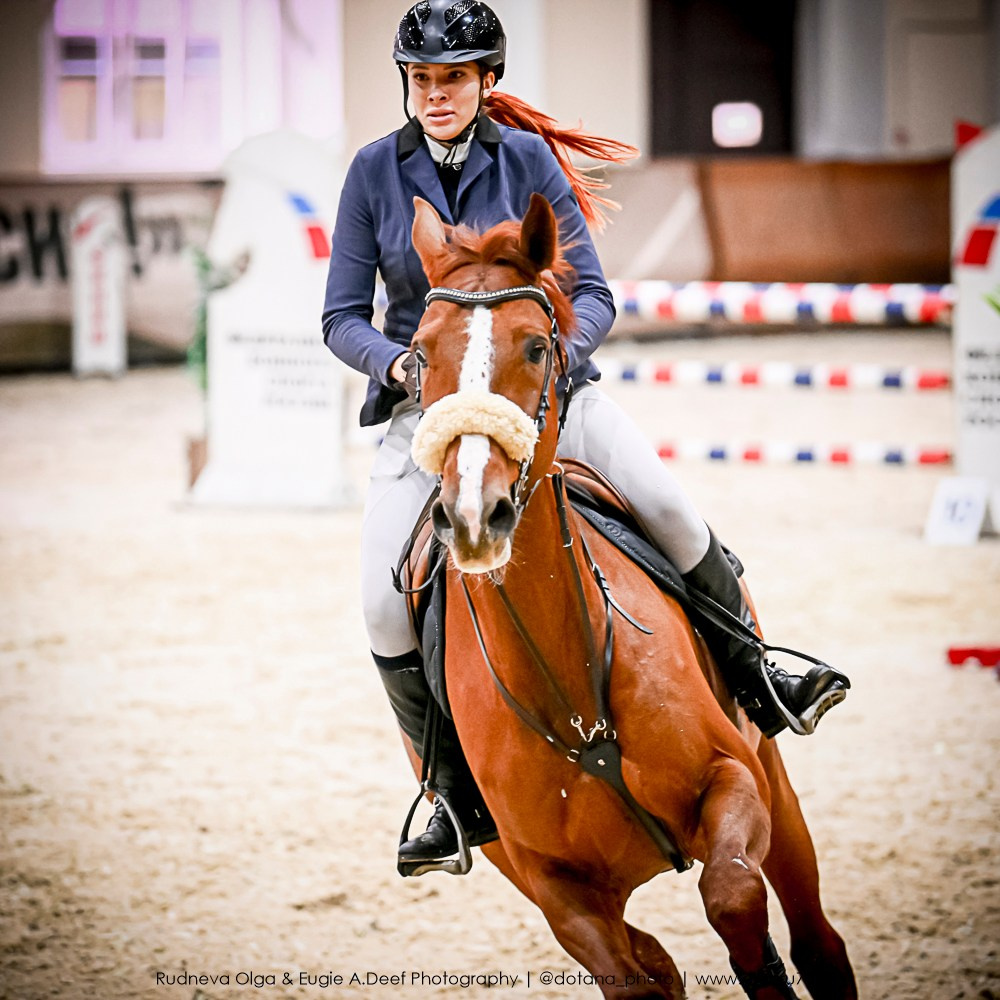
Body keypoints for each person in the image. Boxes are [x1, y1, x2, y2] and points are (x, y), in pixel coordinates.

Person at [322, 0, 849, 869]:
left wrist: (554, 364)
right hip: (435, 410)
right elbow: (341, 316)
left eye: (453, 78)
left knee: (669, 506)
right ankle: (448, 792)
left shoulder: (526, 159)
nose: (436, 93)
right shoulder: (374, 171)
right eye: (422, 79)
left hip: (543, 393)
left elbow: (595, 294)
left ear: (486, 81)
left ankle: (759, 673)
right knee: (383, 600)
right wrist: (405, 369)